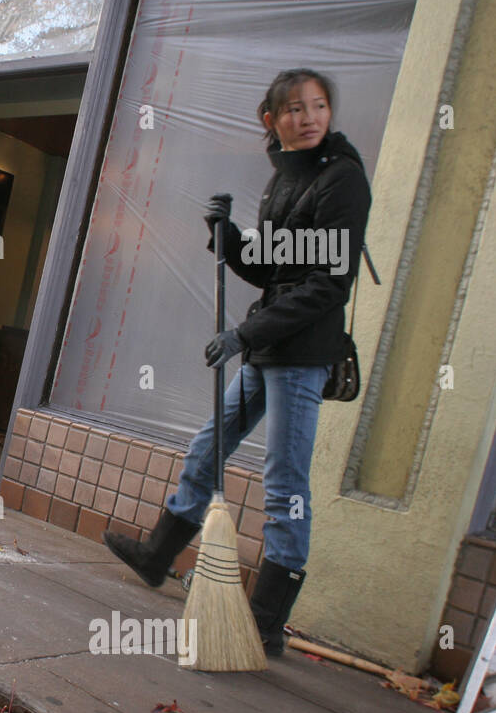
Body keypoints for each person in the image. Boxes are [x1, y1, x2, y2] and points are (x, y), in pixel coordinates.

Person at [103, 68, 371, 656]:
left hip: (300, 356)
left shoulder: (343, 181)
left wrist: (242, 331)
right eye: (295, 109)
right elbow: (275, 268)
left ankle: (266, 624)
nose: (309, 118)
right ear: (271, 121)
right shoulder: (285, 178)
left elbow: (326, 285)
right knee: (210, 445)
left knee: (284, 485)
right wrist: (226, 238)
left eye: (319, 106)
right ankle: (157, 555)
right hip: (266, 347)